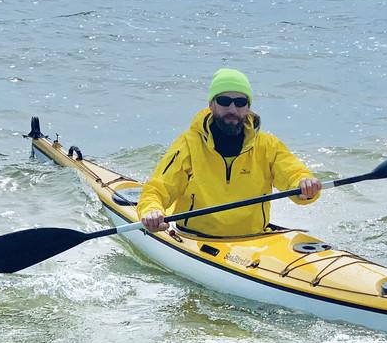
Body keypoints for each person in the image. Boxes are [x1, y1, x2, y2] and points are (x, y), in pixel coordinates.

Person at [137, 68, 322, 238]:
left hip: (254, 240)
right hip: (194, 237)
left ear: (248, 107)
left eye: (240, 102)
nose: (232, 109)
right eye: (224, 101)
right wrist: (151, 210)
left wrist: (305, 186)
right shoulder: (188, 144)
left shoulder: (268, 145)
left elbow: (293, 174)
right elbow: (157, 189)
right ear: (211, 104)